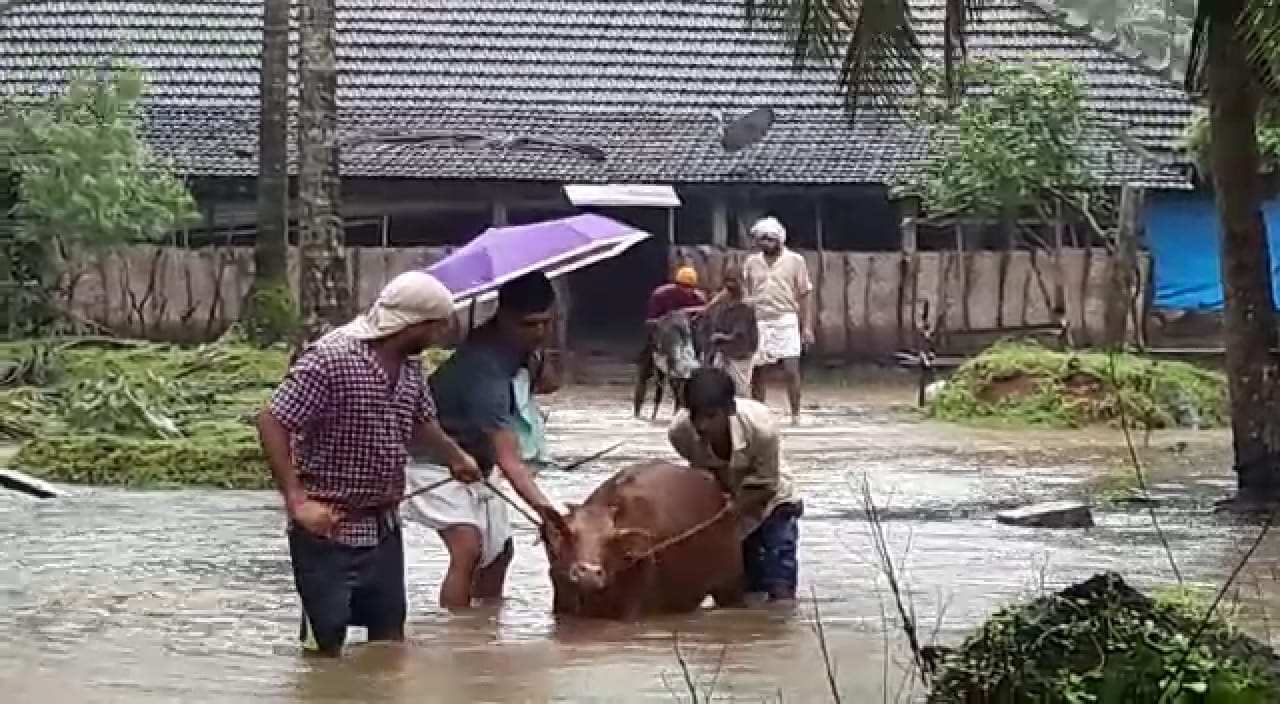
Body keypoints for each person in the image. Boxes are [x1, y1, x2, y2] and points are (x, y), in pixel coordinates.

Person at [257, 270, 482, 657]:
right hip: (328, 530)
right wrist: (297, 501)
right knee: (324, 648)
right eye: (436, 326)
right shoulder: (332, 359)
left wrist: (454, 457)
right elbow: (272, 420)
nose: (439, 335)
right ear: (413, 324)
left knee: (388, 644)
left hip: (383, 527)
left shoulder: (411, 367)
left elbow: (421, 419)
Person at [402, 271, 562, 610]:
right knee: (468, 547)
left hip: (477, 461)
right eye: (529, 324)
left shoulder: (515, 351)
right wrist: (549, 515)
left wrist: (538, 355)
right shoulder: (485, 371)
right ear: (504, 318)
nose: (538, 332)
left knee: (500, 552)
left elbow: (550, 385)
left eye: (545, 323)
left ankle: (484, 630)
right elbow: (511, 463)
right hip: (431, 461)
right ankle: (457, 639)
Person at [667, 367, 803, 602]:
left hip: (773, 503)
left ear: (729, 410)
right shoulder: (680, 433)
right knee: (736, 591)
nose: (702, 426)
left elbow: (767, 485)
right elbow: (701, 478)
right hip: (726, 507)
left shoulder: (762, 429)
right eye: (695, 416)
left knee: (779, 590)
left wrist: (733, 510)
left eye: (710, 416)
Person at [742, 217, 814, 424]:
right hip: (759, 319)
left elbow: (805, 293)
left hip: (786, 319)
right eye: (762, 239)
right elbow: (746, 293)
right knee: (758, 370)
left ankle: (795, 414)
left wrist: (806, 327)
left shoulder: (795, 261)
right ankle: (759, 415)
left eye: (770, 239)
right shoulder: (751, 262)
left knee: (791, 370)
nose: (765, 244)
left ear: (780, 240)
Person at [633, 266, 707, 418]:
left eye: (690, 287)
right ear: (676, 284)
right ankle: (637, 411)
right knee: (643, 375)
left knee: (683, 378)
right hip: (659, 339)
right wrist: (667, 320)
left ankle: (680, 412)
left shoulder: (698, 299)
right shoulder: (661, 295)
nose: (687, 291)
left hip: (684, 343)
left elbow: (702, 323)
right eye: (684, 287)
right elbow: (649, 321)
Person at [698, 269, 758, 397]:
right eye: (728, 281)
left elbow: (740, 334)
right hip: (724, 351)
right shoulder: (725, 303)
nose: (730, 286)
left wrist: (722, 337)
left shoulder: (745, 306)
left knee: (740, 389)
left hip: (741, 352)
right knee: (719, 387)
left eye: (733, 281)